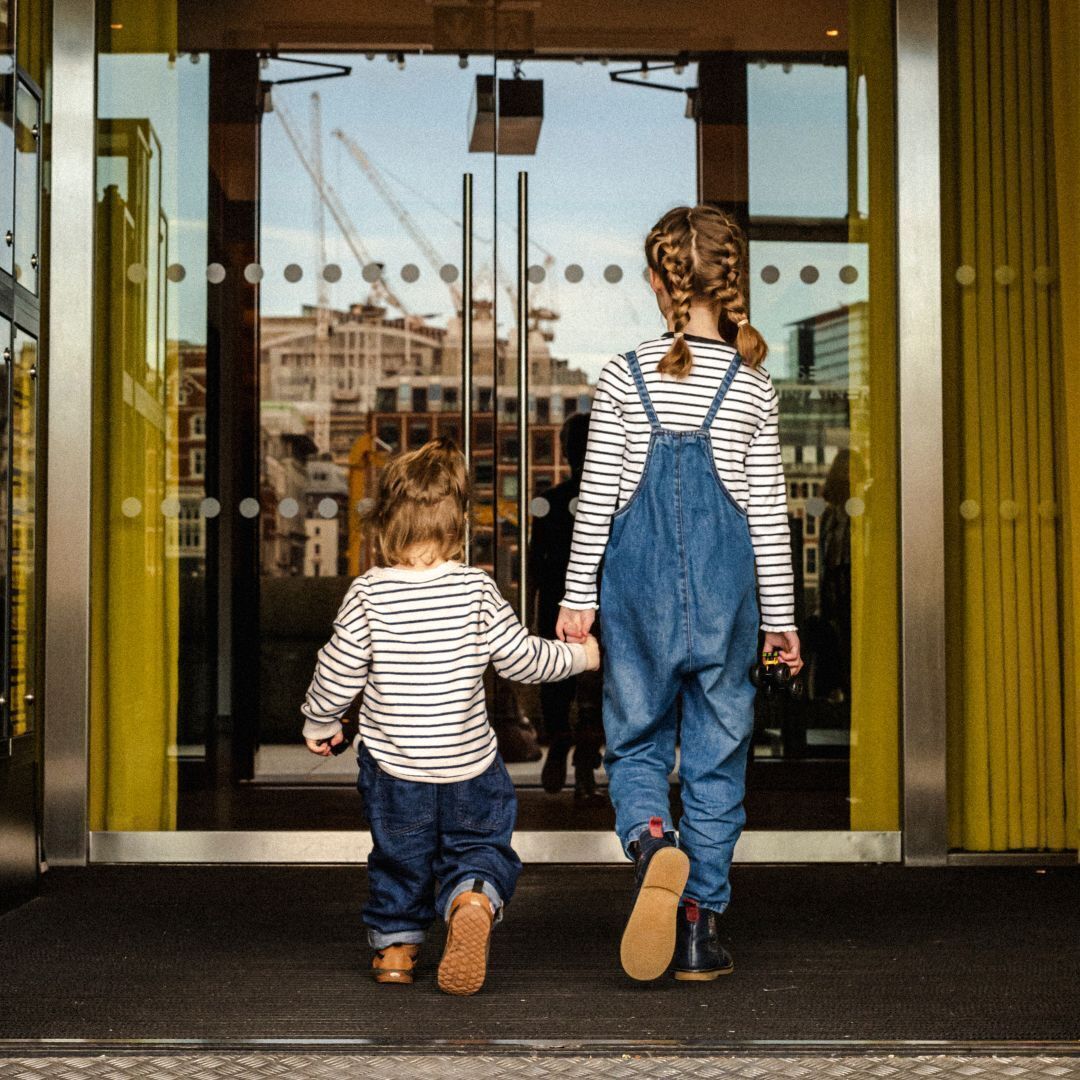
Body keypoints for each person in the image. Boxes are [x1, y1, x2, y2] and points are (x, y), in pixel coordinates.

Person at [557, 205, 802, 983]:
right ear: (726, 281)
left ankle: (653, 841)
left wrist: (575, 601)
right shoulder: (754, 388)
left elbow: (594, 501)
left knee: (635, 743)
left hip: (637, 600)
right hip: (731, 604)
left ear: (661, 282)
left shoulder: (622, 377)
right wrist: (783, 623)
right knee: (718, 761)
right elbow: (768, 518)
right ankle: (699, 930)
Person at [301, 438, 600, 996]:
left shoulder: (367, 594)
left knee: (400, 857)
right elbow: (521, 659)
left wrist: (321, 724)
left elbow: (337, 670)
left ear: (385, 522)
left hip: (396, 769)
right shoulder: (477, 588)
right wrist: (580, 656)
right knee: (479, 846)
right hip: (468, 763)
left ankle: (395, 947)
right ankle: (472, 896)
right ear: (458, 522)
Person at [528, 412, 606, 805]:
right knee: (594, 692)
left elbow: (534, 565)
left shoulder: (548, 502)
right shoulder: (612, 503)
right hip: (601, 607)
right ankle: (583, 770)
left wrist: (531, 611)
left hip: (556, 606)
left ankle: (560, 744)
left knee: (558, 685)